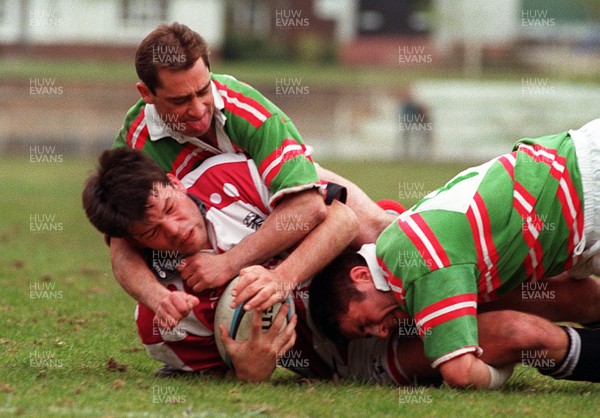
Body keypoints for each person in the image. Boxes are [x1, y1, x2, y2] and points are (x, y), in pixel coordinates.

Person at [84, 149, 589, 388]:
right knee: (517, 330)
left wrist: (269, 273)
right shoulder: (165, 322)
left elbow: (343, 217)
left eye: (170, 208)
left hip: (375, 271)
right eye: (152, 233)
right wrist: (251, 372)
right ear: (124, 241)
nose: (173, 231)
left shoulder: (232, 175)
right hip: (345, 350)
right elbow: (229, 379)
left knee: (559, 293)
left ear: (173, 182)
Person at [110, 22, 394, 324]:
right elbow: (121, 248)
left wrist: (229, 264)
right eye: (180, 101)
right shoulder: (134, 147)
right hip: (210, 231)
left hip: (269, 200)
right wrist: (161, 299)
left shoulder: (250, 111)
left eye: (203, 91)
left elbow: (307, 206)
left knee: (377, 231)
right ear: (147, 93)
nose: (198, 109)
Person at [310, 119, 600, 388]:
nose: (381, 333)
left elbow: (461, 373)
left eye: (365, 324)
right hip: (577, 173)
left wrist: (501, 371)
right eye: (370, 335)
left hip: (587, 191)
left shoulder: (417, 267)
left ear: (361, 276)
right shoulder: (396, 238)